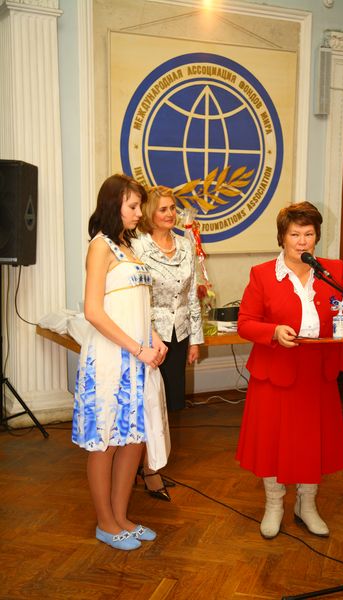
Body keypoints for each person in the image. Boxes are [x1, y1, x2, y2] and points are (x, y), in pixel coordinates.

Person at [236, 201, 343, 540]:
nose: (302, 241)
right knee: (273, 441)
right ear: (282, 237)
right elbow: (245, 323)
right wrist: (273, 332)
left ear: (317, 236)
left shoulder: (332, 269)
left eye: (308, 234)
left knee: (312, 442)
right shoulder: (262, 274)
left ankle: (306, 505)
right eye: (295, 234)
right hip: (275, 369)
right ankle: (274, 504)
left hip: (317, 372)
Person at [72, 174, 169, 550]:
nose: (138, 212)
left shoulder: (129, 246)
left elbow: (136, 305)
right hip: (110, 360)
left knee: (134, 439)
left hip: (138, 359)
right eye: (132, 206)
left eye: (138, 206)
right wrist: (136, 347)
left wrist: (153, 337)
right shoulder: (100, 246)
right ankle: (105, 522)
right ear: (114, 205)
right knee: (106, 442)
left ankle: (122, 516)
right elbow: (93, 311)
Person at [132, 185, 204, 500]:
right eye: (163, 209)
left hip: (180, 332)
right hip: (148, 337)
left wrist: (195, 340)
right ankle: (148, 471)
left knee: (167, 406)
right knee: (147, 406)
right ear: (149, 213)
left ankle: (149, 465)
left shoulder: (186, 244)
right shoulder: (137, 246)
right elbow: (136, 297)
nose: (170, 214)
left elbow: (192, 295)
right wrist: (148, 334)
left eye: (173, 208)